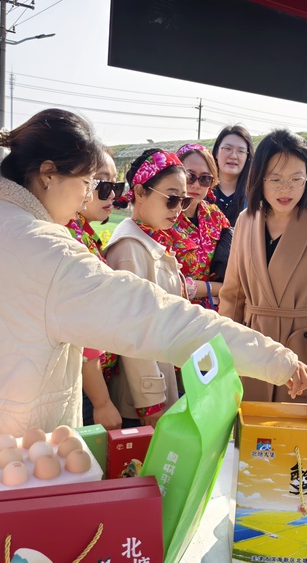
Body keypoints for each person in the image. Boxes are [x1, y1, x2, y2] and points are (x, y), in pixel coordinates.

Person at [0, 109, 307, 528]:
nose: (90, 197)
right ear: (49, 173)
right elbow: (164, 320)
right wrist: (276, 359)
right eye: (88, 182)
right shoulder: (46, 254)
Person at [219, 129, 307, 403]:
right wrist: (222, 348)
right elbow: (233, 295)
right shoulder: (246, 220)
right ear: (259, 178)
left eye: (297, 179)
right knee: (251, 437)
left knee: (298, 441)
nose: (287, 190)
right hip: (254, 351)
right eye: (276, 180)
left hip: (306, 356)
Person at [104, 148, 194, 427]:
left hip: (157, 381)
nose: (178, 209)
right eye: (171, 199)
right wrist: (151, 404)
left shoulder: (149, 238)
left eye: (184, 200)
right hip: (139, 403)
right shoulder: (130, 248)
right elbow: (132, 333)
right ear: (140, 192)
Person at [66, 148, 124, 430]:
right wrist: (102, 402)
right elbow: (84, 332)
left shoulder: (84, 232)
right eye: (103, 184)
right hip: (84, 387)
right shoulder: (70, 236)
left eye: (116, 185)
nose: (112, 195)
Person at [169, 143, 232, 310]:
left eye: (205, 179)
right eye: (189, 176)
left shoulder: (215, 216)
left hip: (218, 314)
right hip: (178, 315)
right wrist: (215, 288)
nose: (196, 185)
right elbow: (164, 281)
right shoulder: (165, 216)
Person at [211, 125, 253, 226]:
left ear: (248, 157)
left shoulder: (254, 197)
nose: (233, 156)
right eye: (227, 148)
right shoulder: (201, 192)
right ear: (216, 152)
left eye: (241, 151)